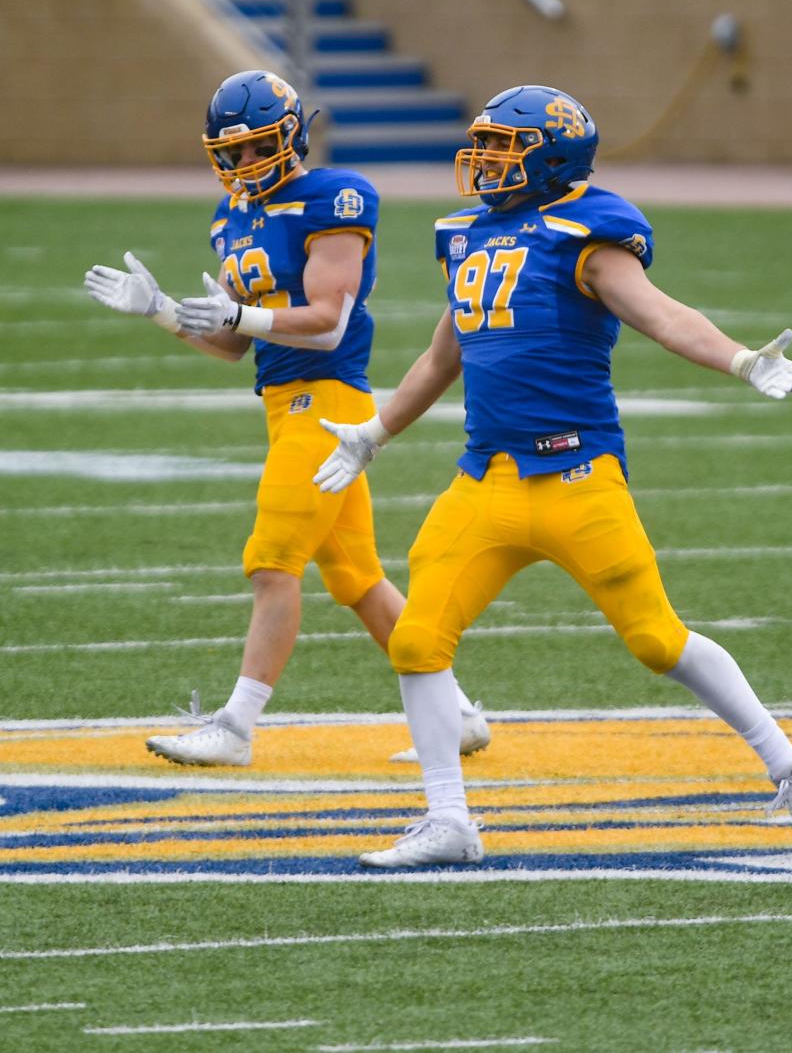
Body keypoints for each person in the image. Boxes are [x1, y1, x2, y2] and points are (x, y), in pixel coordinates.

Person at [314, 83, 792, 868]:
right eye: (484, 145)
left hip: (577, 476)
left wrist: (737, 358)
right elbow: (441, 357)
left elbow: (661, 314)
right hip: (485, 481)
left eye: (502, 147)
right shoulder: (468, 235)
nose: (485, 161)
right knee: (418, 638)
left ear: (550, 155)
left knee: (658, 642)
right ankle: (449, 818)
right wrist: (373, 434)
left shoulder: (585, 233)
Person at [83, 69, 488, 767]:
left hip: (326, 402)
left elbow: (327, 324)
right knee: (358, 580)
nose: (244, 162)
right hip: (283, 404)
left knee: (272, 563)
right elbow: (234, 344)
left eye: (257, 146)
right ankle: (456, 714)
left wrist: (241, 312)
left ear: (294, 133)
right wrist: (163, 311)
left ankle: (236, 726)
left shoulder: (333, 197)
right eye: (232, 152)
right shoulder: (231, 218)